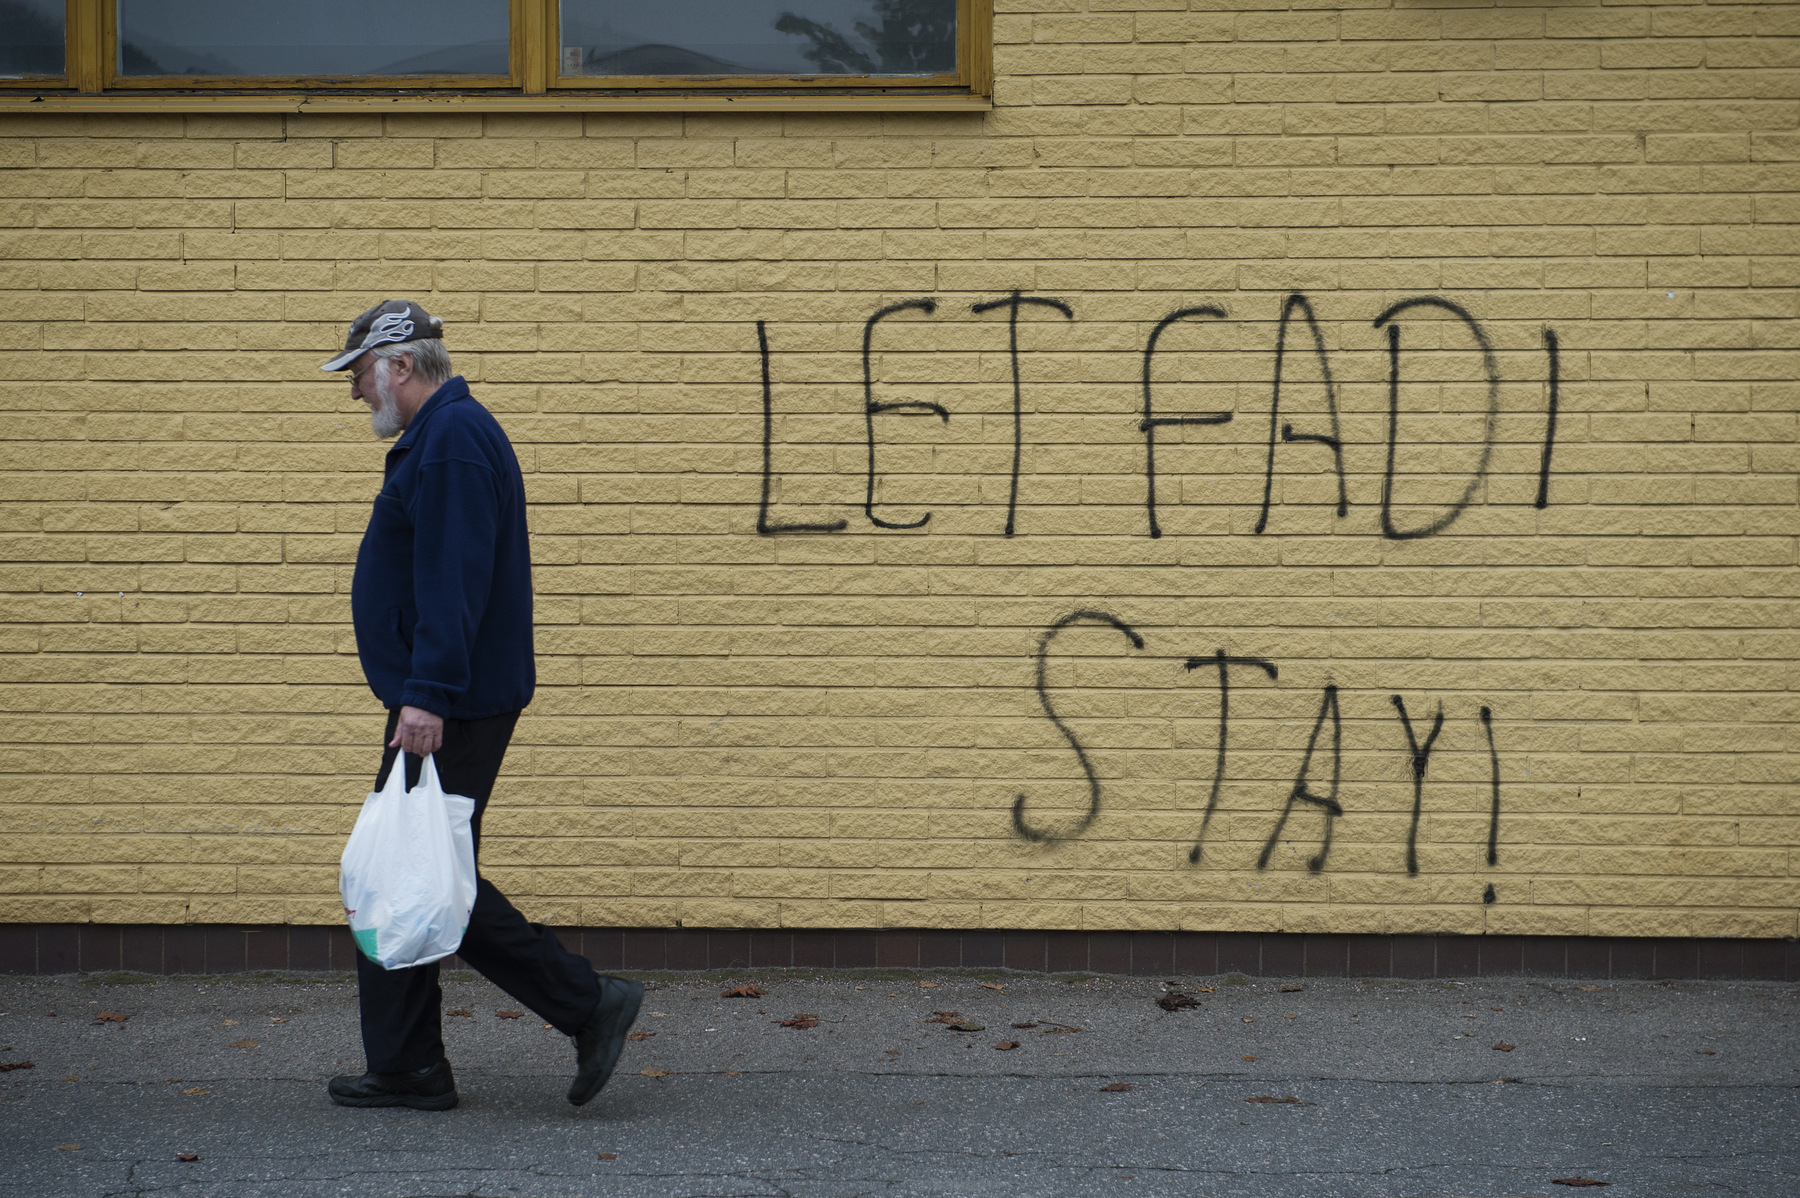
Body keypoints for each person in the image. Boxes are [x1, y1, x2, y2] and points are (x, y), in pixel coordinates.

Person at [320, 300, 641, 1110]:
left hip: (449, 703)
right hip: (445, 697)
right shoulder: (443, 438)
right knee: (418, 871)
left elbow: (453, 582)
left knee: (419, 873)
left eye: (359, 374)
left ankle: (577, 1006)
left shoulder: (454, 443)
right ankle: (411, 1063)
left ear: (398, 364)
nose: (356, 392)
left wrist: (426, 694)